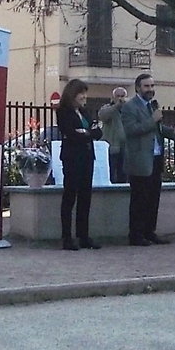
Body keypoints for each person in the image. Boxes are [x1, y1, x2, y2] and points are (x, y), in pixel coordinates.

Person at [121, 73, 175, 246]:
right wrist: (152, 120)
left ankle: (150, 232)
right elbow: (131, 130)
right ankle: (136, 235)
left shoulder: (152, 106)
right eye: (146, 86)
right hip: (140, 160)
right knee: (139, 200)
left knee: (153, 198)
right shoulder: (130, 107)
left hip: (156, 157)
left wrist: (173, 132)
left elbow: (157, 128)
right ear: (137, 88)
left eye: (152, 86)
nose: (150, 90)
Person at [56, 79, 102, 251]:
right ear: (72, 94)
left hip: (87, 156)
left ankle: (84, 235)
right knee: (70, 196)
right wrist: (87, 133)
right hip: (72, 158)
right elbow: (70, 134)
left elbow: (98, 131)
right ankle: (67, 237)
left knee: (85, 197)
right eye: (80, 93)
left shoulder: (85, 112)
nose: (84, 96)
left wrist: (86, 133)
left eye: (85, 93)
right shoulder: (64, 111)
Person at [98, 87, 128, 184]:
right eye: (117, 96)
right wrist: (116, 106)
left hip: (126, 148)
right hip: (111, 148)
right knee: (111, 173)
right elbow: (103, 116)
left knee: (123, 174)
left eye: (122, 96)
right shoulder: (107, 108)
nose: (120, 98)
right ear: (113, 97)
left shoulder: (129, 110)